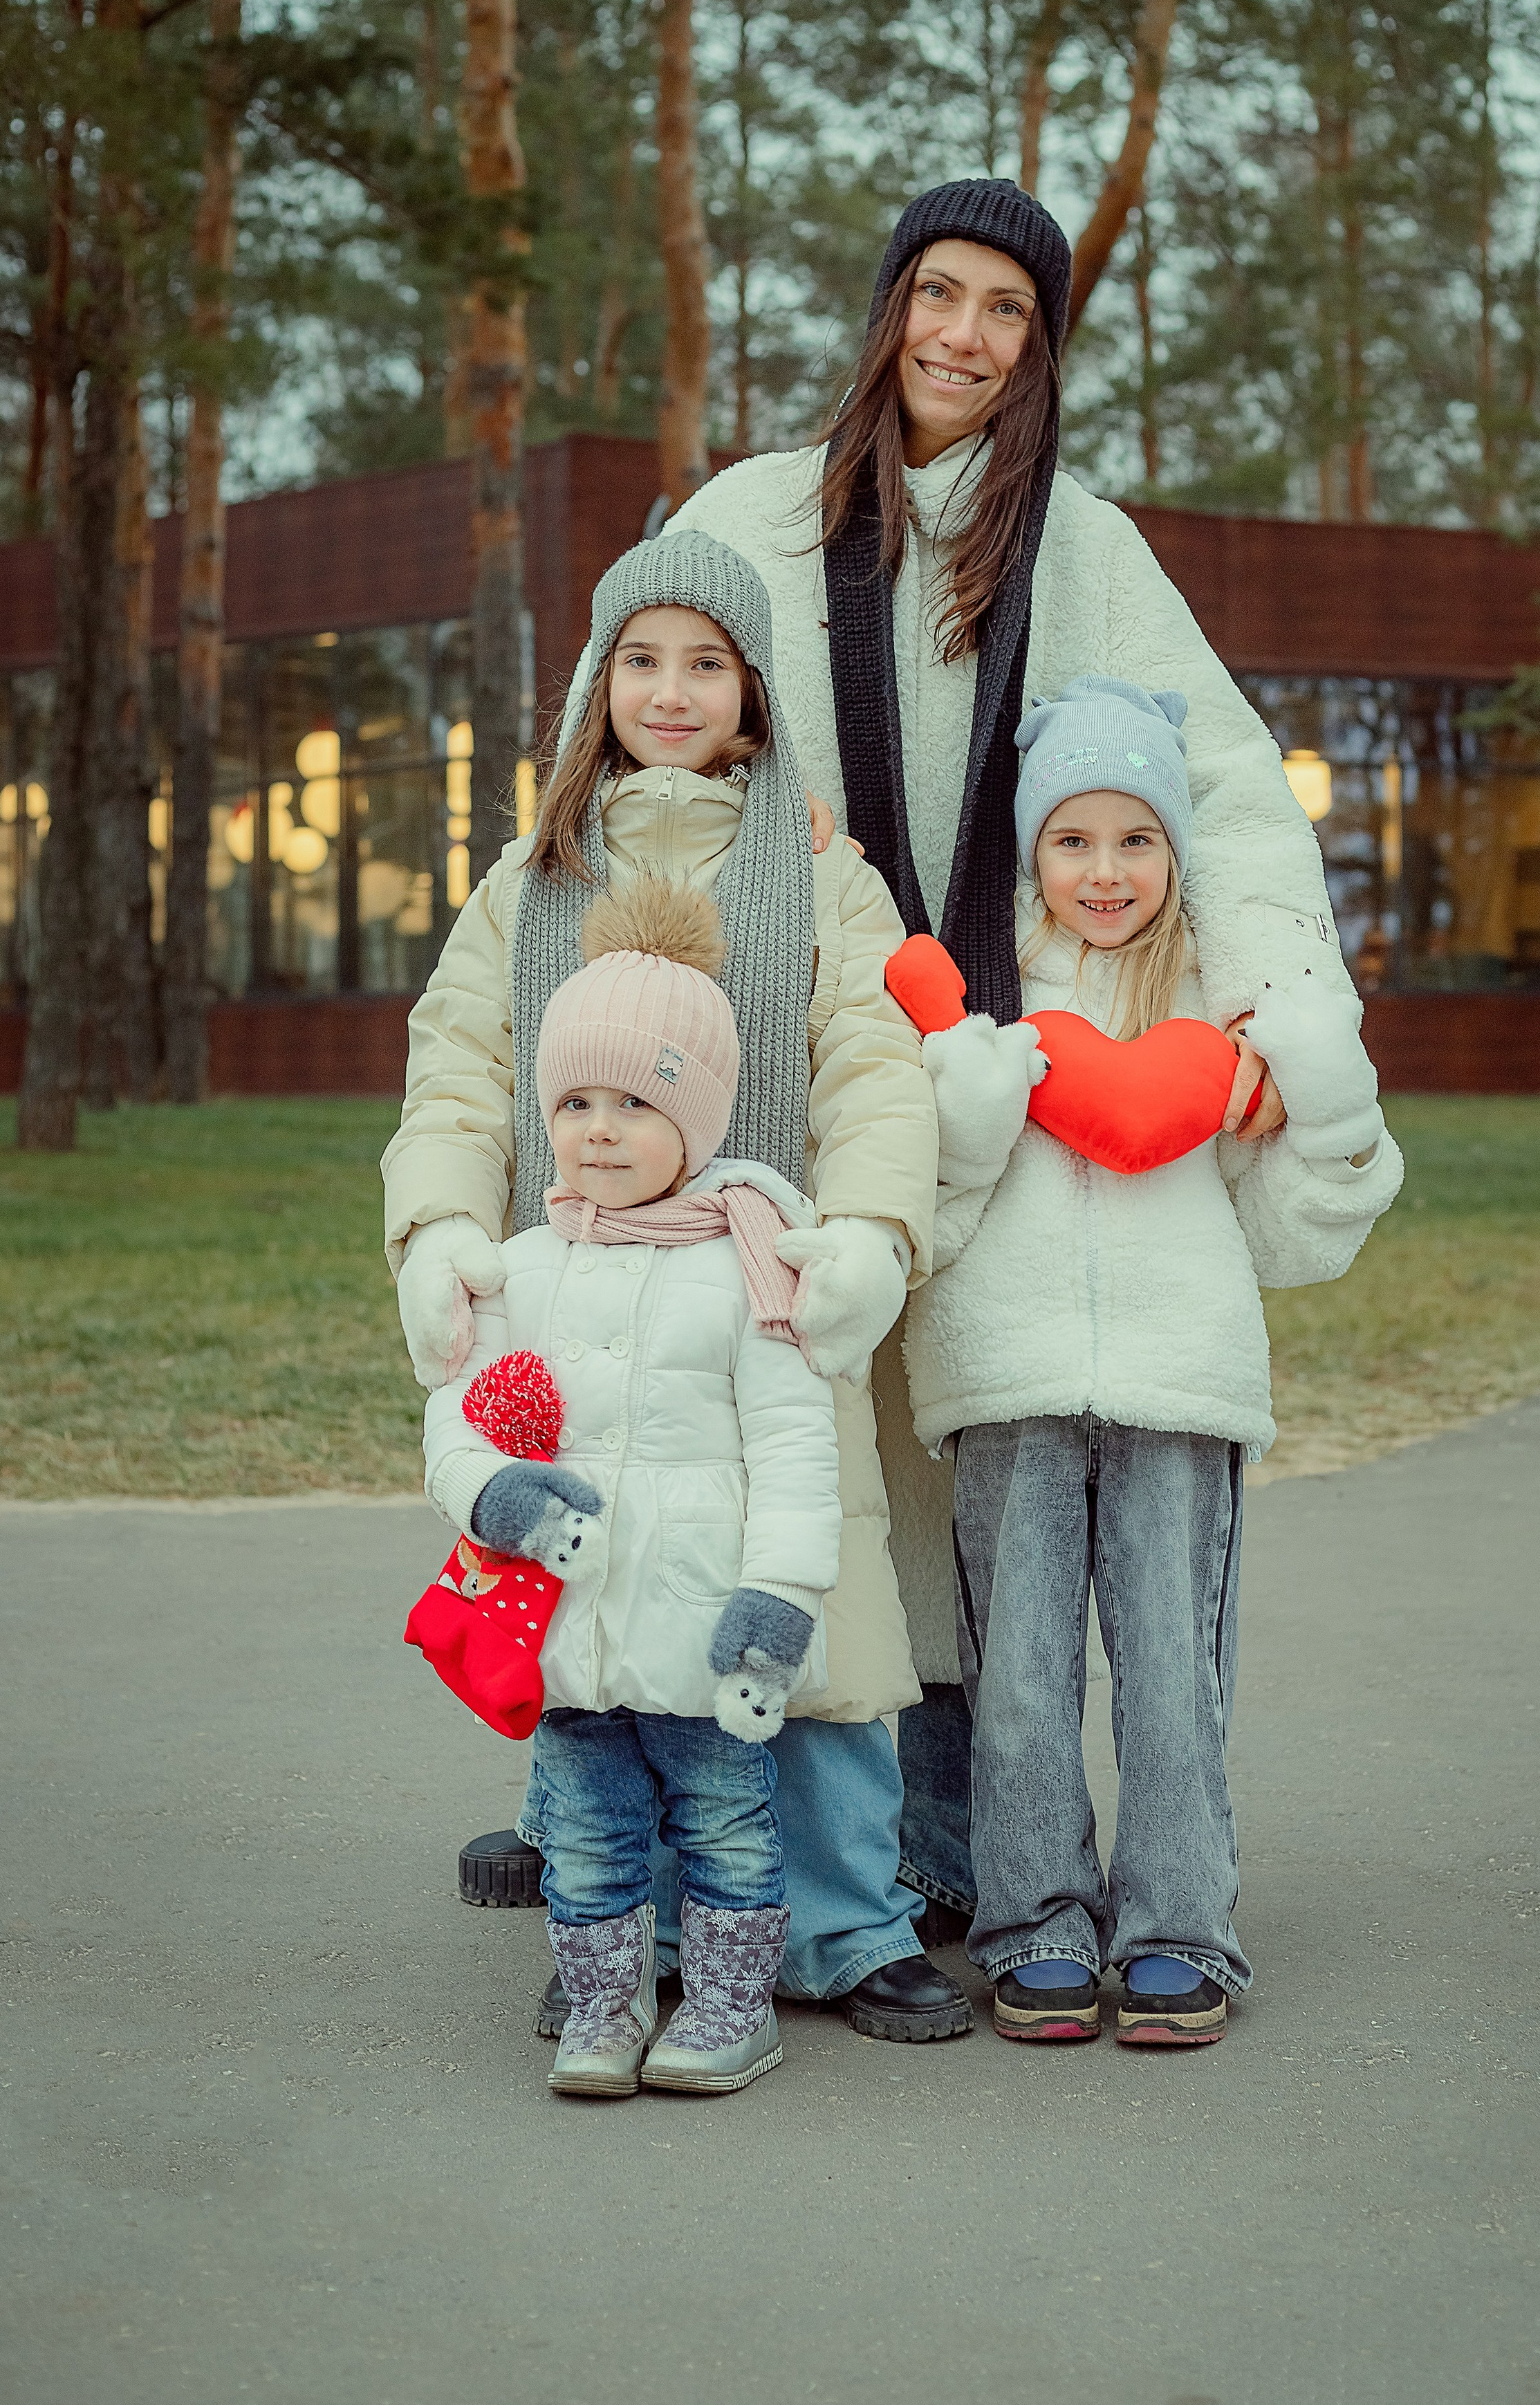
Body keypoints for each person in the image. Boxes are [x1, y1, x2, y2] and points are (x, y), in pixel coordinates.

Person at [658, 178, 1347, 1917]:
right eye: (938, 295)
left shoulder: (1080, 546)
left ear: (1037, 349)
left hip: (995, 1054)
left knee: (954, 1437)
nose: (961, 339)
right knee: (757, 1410)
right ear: (890, 301)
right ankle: (663, 1785)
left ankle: (951, 1836)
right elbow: (644, 715)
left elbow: (1221, 784)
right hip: (794, 1032)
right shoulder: (749, 517)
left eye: (1005, 315)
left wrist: (1272, 1012)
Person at [385, 532, 970, 2043]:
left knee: (799, 1592)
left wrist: (869, 1237)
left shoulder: (818, 873)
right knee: (604, 1608)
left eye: (704, 662)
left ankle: (847, 1921)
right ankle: (620, 1929)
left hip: (756, 1288)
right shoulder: (535, 879)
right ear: (599, 683)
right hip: (578, 1297)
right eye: (640, 659)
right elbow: (459, 1070)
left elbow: (872, 1066)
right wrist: (443, 1230)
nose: (670, 689)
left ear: (753, 696)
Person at [898, 677, 1403, 2042]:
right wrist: (976, 1087)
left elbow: (1308, 1225)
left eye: (1135, 839)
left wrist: (1303, 1092)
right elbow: (924, 1194)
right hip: (1005, 1378)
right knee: (1014, 1680)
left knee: (1173, 1676)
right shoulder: (986, 993)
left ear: (1175, 851)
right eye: (1073, 839)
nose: (1104, 871)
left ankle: (1180, 1926)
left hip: (1183, 1378)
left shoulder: (1226, 1007)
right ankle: (1033, 1923)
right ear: (1031, 851)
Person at [425, 877, 844, 2097]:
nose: (599, 1129)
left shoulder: (746, 1271)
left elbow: (796, 1446)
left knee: (724, 1820)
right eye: (574, 1101)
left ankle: (725, 2007)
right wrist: (491, 1493)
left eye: (636, 1103)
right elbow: (456, 1415)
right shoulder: (518, 1270)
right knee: (592, 1830)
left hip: (707, 1622)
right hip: (568, 1626)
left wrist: (781, 1592)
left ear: (698, 1118)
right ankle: (603, 2008)